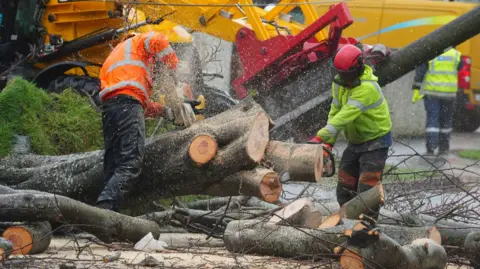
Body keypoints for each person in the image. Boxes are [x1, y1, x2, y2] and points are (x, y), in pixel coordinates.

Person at [96, 31, 184, 212]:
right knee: (131, 162)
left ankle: (104, 214)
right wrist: (174, 69)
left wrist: (165, 111)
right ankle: (105, 209)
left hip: (111, 108)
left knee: (114, 163)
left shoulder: (119, 59)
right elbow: (158, 38)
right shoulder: (138, 41)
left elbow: (138, 102)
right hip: (127, 105)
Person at [308, 44, 392, 220]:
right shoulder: (339, 83)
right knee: (345, 183)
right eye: (340, 73)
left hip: (375, 141)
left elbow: (345, 116)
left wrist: (319, 137)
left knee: (367, 187)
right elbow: (335, 111)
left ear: (357, 69)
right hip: (355, 141)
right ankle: (347, 220)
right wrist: (328, 141)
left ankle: (368, 225)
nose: (342, 77)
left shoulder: (367, 88)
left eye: (346, 74)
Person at [411, 47, 463, 156]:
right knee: (446, 121)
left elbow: (420, 72)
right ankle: (444, 148)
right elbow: (460, 67)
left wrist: (416, 88)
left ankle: (430, 148)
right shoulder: (456, 55)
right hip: (449, 93)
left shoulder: (431, 52)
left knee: (432, 119)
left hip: (432, 93)